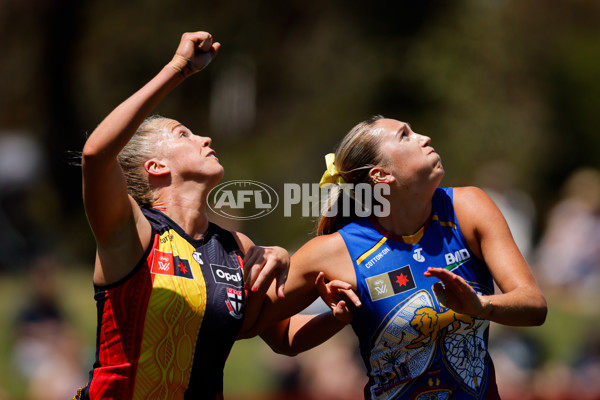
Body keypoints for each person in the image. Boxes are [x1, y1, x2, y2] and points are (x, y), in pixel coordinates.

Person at [74, 31, 356, 400]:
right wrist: (178, 69)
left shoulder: (236, 246)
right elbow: (96, 156)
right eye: (183, 134)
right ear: (155, 166)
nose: (204, 138)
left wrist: (336, 317)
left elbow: (285, 338)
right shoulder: (132, 232)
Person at [250, 116, 547, 399]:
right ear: (381, 175)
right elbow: (276, 333)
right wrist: (334, 317)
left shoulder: (469, 208)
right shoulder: (335, 251)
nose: (424, 137)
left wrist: (480, 306)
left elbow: (534, 306)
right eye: (405, 135)